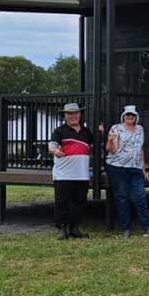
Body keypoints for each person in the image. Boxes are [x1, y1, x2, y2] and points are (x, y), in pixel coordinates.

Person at [105, 104, 149, 238]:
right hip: (117, 167)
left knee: (140, 197)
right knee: (122, 197)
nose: (130, 117)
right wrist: (110, 140)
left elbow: (140, 150)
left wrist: (144, 170)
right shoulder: (115, 128)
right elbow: (110, 150)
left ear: (136, 117)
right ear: (123, 116)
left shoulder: (140, 129)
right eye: (128, 115)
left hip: (135, 167)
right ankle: (126, 229)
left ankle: (148, 228)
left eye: (132, 115)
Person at [48, 102, 93, 240]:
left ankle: (74, 228)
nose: (73, 116)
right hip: (63, 175)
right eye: (70, 114)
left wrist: (101, 133)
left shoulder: (87, 132)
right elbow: (51, 146)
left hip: (82, 174)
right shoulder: (59, 131)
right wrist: (55, 151)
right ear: (65, 116)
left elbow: (93, 147)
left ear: (80, 114)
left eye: (75, 113)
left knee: (79, 203)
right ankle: (62, 229)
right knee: (62, 203)